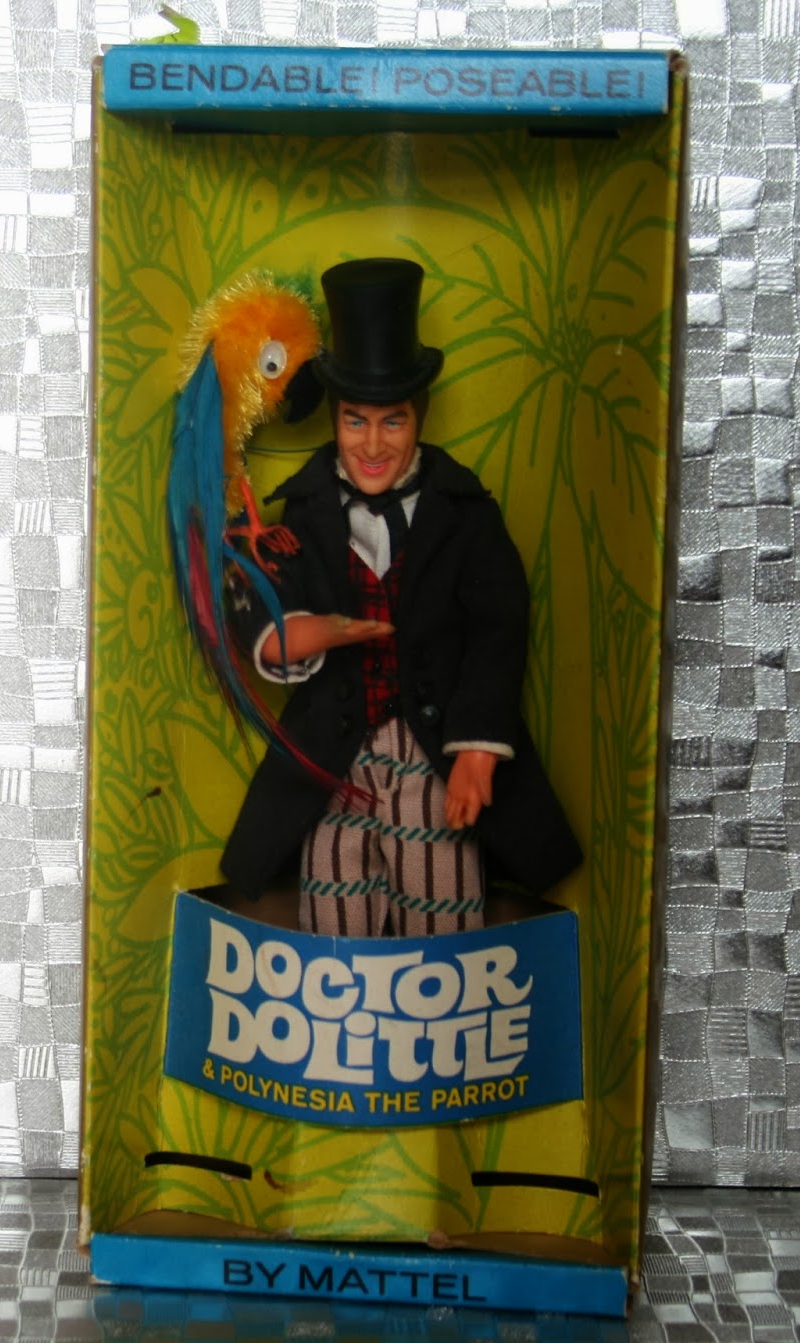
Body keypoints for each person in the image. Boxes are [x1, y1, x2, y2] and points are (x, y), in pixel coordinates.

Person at [220, 257, 580, 936]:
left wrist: (478, 748)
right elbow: (266, 599)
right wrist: (303, 632)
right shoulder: (302, 513)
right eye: (355, 421)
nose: (373, 444)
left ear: (420, 418)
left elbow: (499, 630)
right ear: (334, 419)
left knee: (443, 907)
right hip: (335, 757)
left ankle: (442, 999)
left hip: (434, 758)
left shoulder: (464, 514)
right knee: (332, 914)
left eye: (393, 421)